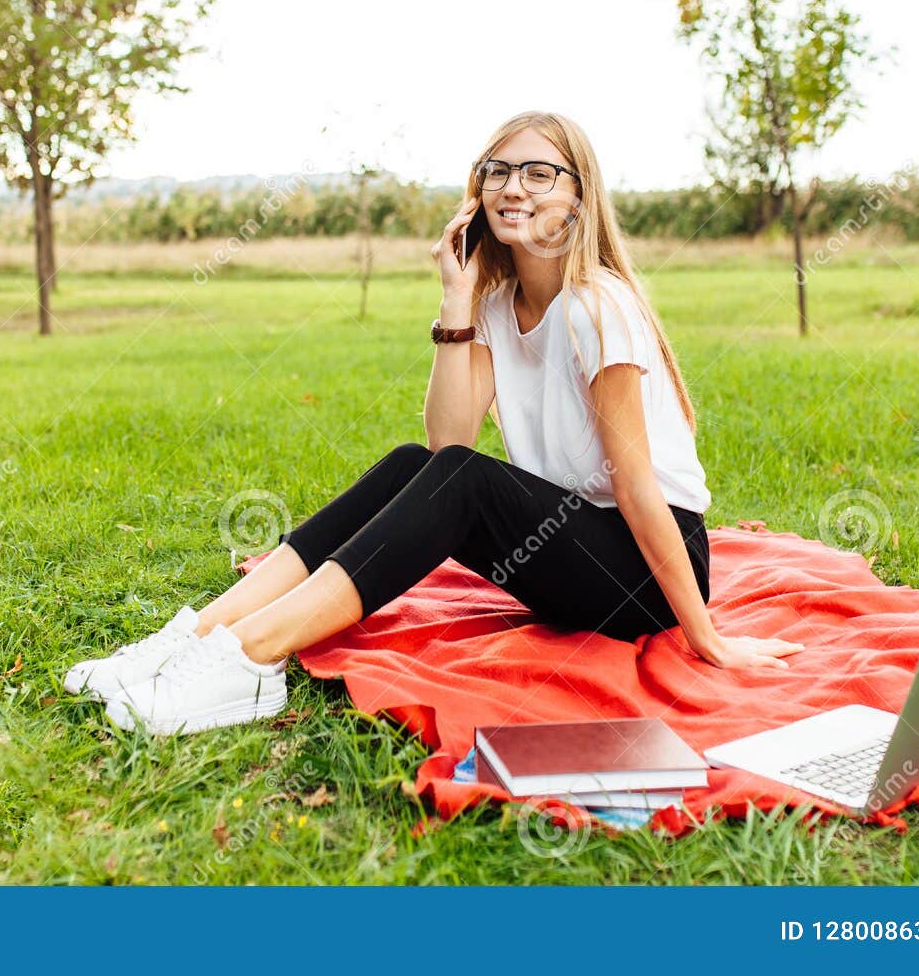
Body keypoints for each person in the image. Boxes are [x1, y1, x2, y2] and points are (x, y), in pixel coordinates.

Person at [64, 109, 805, 735]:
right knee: (407, 463)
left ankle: (253, 658)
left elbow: (638, 484)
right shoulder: (492, 303)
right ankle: (190, 639)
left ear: (579, 198)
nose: (513, 186)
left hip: (642, 568)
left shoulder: (596, 303)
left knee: (456, 477)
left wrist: (705, 634)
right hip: (568, 547)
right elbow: (448, 445)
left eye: (539, 172)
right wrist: (456, 300)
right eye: (498, 170)